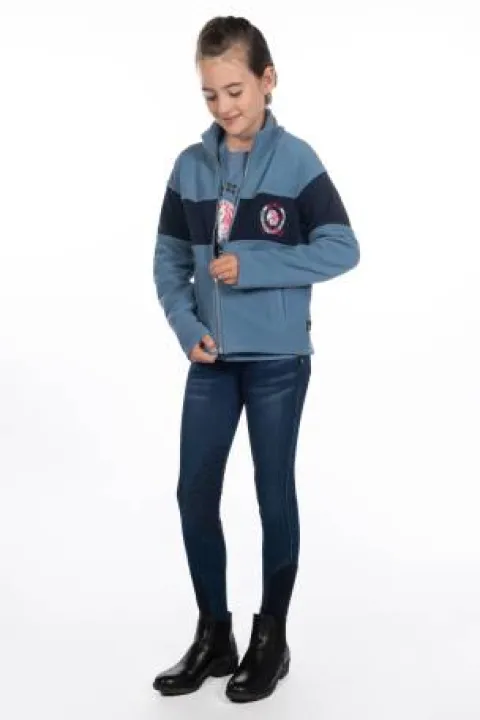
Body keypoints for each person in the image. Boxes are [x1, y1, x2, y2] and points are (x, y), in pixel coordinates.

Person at [151, 15, 360, 703]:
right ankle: (215, 634)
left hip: (277, 361)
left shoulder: (297, 161)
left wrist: (259, 263)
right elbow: (168, 260)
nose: (224, 106)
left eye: (235, 90)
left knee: (273, 492)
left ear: (268, 81)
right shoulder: (190, 166)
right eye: (210, 94)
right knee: (194, 492)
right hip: (211, 359)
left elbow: (342, 248)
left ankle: (272, 636)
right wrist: (186, 326)